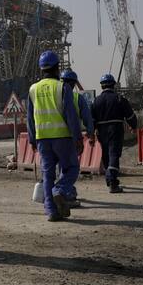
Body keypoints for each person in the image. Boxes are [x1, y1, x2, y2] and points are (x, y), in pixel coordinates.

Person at [26, 51, 84, 222]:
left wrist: (31, 139)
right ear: (58, 67)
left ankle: (51, 211)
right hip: (62, 137)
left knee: (48, 175)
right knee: (71, 169)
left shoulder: (32, 89)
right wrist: (78, 137)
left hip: (42, 139)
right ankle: (59, 190)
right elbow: (71, 115)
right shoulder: (62, 87)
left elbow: (29, 117)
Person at [91, 74, 138, 193]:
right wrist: (134, 126)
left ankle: (109, 177)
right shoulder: (119, 98)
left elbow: (91, 119)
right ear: (114, 85)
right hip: (115, 129)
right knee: (114, 153)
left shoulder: (96, 101)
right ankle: (112, 181)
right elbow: (130, 115)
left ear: (101, 86)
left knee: (106, 154)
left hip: (101, 131)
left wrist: (92, 132)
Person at [59, 70, 96, 207]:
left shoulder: (53, 96)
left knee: (62, 167)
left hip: (51, 138)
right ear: (74, 84)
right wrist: (90, 133)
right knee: (72, 168)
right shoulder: (77, 98)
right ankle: (64, 193)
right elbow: (87, 118)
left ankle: (67, 191)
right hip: (70, 138)